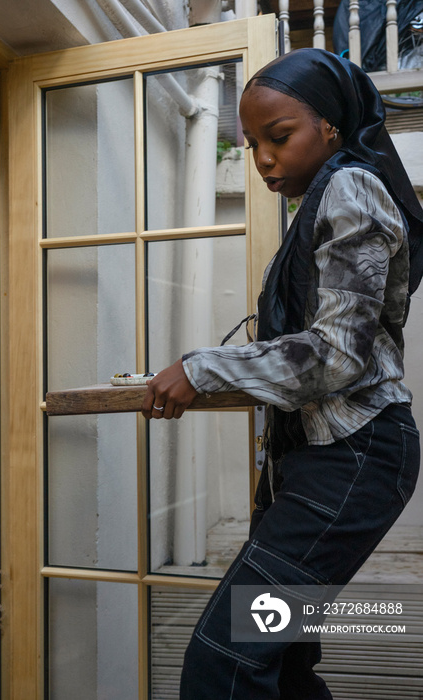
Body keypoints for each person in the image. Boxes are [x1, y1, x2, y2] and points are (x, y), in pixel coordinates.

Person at [141, 48, 423, 699]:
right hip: (332, 461)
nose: (264, 158)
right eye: (252, 143)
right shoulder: (327, 195)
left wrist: (200, 368)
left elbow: (337, 354)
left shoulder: (352, 187)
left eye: (279, 136)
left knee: (224, 662)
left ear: (330, 125)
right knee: (282, 665)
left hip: (355, 459)